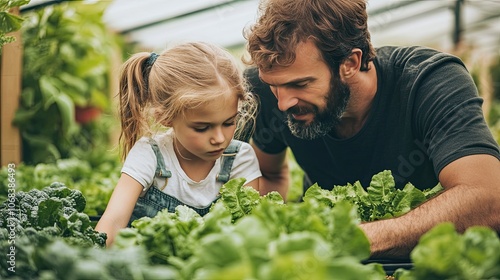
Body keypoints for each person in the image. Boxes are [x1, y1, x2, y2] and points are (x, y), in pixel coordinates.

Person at [243, 0, 500, 258]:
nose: (283, 102)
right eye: (274, 85)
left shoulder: (429, 81)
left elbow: (488, 197)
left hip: (427, 261)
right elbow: (268, 174)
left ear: (351, 63)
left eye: (301, 84)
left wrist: (352, 240)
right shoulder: (269, 87)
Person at [96, 42, 261, 246]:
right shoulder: (150, 154)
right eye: (202, 128)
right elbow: (112, 223)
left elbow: (248, 232)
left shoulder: (240, 159)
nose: (219, 138)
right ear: (165, 118)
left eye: (229, 122)